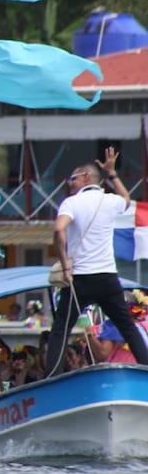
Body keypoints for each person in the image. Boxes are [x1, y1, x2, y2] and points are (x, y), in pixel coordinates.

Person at [46, 149, 148, 376]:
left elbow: (59, 228)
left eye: (72, 178)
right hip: (107, 278)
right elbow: (126, 200)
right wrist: (112, 173)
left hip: (80, 279)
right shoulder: (109, 201)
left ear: (86, 177)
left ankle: (51, 377)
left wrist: (65, 266)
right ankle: (146, 370)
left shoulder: (71, 203)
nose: (70, 183)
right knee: (128, 329)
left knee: (60, 330)